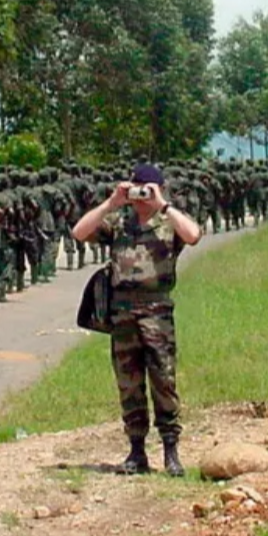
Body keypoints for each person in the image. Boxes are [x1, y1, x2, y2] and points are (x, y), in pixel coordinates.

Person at [71, 163, 202, 477]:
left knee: (163, 381)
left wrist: (163, 205)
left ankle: (171, 451)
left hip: (156, 310)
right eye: (136, 187)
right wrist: (111, 203)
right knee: (128, 383)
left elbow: (194, 235)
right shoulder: (119, 223)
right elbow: (79, 232)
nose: (139, 194)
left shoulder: (167, 223)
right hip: (123, 312)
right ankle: (136, 451)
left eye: (145, 188)